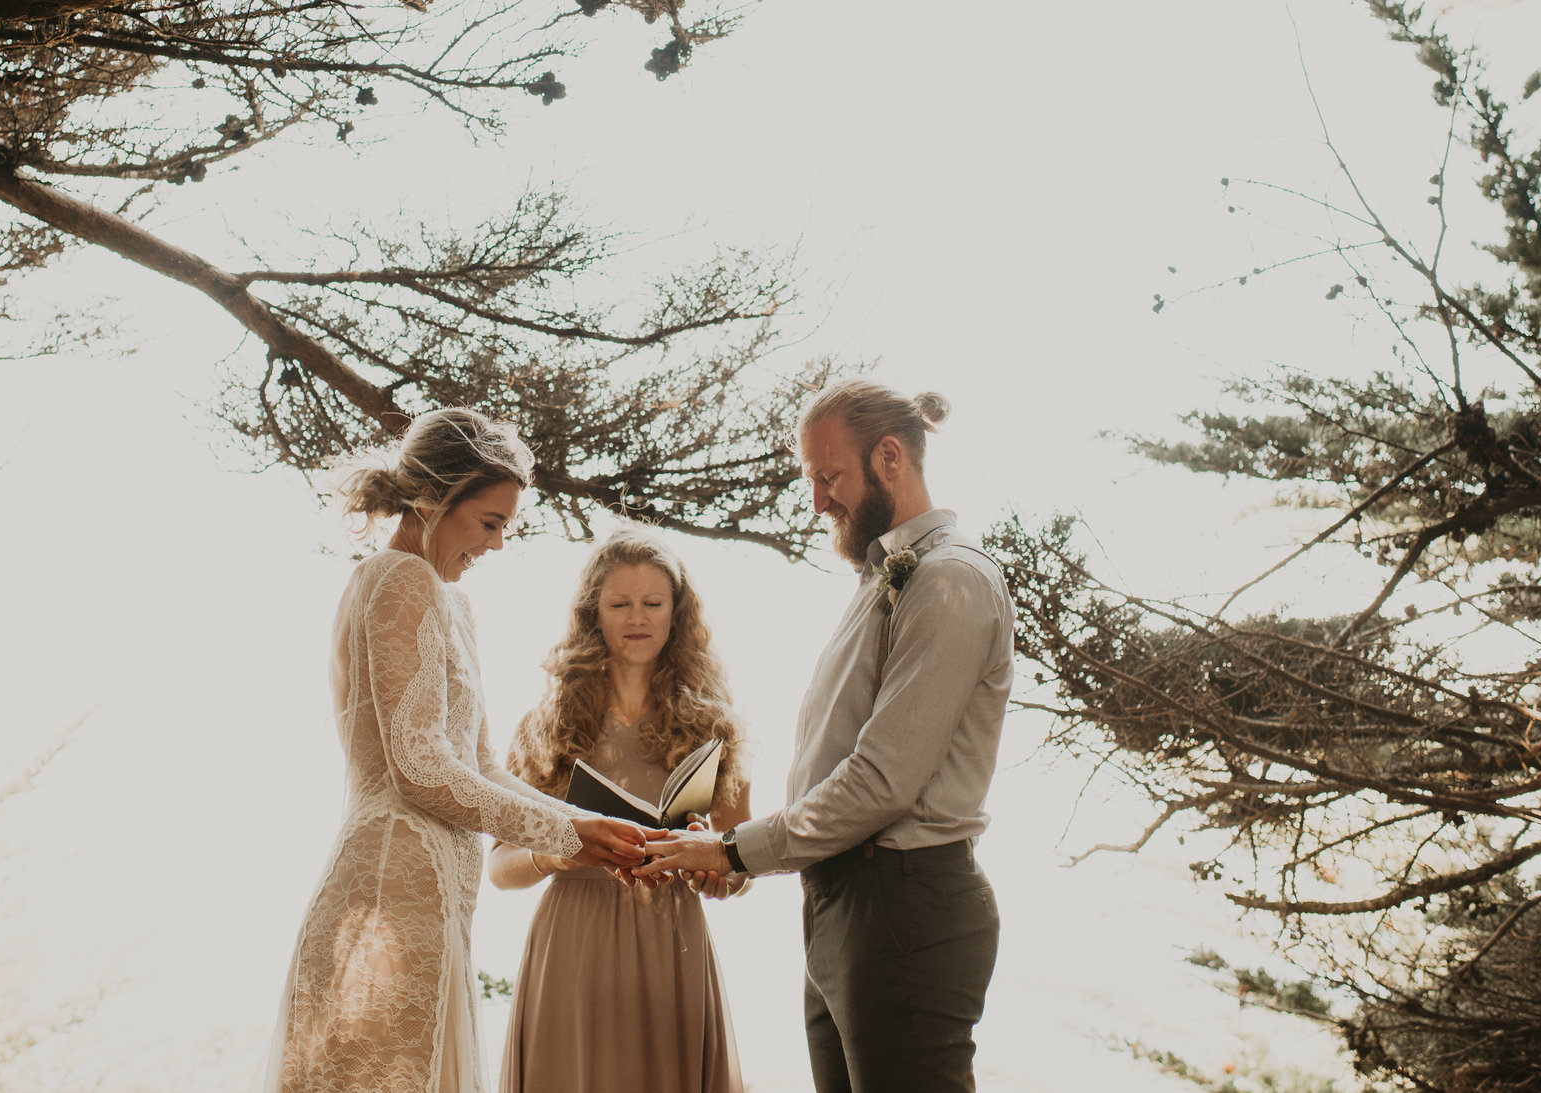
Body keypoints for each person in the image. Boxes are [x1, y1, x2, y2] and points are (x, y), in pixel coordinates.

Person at [259, 409, 652, 1093]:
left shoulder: (451, 603)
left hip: (438, 901)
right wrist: (568, 830)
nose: (496, 545)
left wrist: (596, 826)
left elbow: (482, 767)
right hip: (389, 889)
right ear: (433, 499)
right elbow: (419, 767)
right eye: (489, 523)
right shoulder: (397, 578)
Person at [636, 380, 1011, 1093]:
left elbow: (882, 778)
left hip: (903, 906)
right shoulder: (884, 578)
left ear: (890, 457)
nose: (817, 500)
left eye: (828, 475)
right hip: (847, 900)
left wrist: (734, 850)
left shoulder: (949, 580)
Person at [488, 534, 752, 1093]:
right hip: (572, 948)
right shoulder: (546, 727)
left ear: (677, 615)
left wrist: (719, 869)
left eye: (653, 604)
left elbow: (743, 862)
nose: (637, 618)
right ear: (593, 615)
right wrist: (555, 853)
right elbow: (498, 867)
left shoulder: (716, 729)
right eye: (619, 604)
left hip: (671, 946)